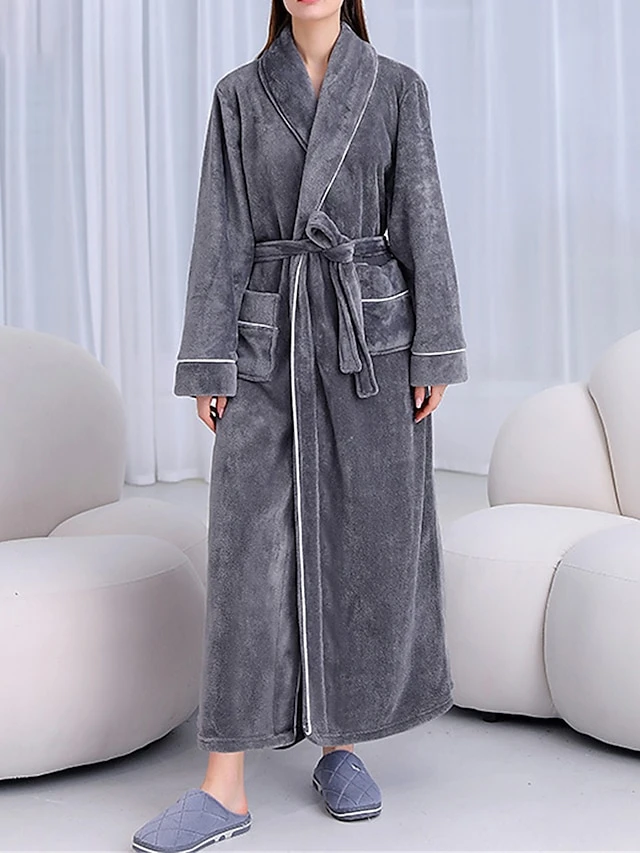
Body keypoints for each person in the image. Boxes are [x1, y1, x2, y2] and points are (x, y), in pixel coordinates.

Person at [132, 0, 468, 850]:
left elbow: (422, 218)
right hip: (268, 342)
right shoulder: (239, 95)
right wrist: (209, 359)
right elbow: (221, 232)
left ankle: (340, 741)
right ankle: (224, 782)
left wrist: (432, 349)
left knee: (359, 541)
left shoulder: (396, 89)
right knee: (246, 551)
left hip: (368, 345)